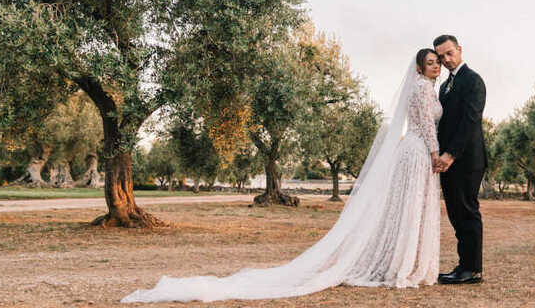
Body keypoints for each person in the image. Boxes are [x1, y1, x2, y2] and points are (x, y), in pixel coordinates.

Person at [121, 49, 444, 303]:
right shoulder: (421, 88)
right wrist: (433, 153)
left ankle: (406, 262)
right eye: (430, 63)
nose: (435, 67)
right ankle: (404, 265)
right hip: (418, 153)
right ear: (418, 67)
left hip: (414, 151)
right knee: (410, 208)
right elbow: (428, 126)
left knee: (410, 209)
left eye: (437, 63)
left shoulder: (428, 87)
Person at [432, 34, 487, 285]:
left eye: (449, 53)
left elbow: (470, 122)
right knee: (455, 213)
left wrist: (450, 154)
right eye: (441, 56)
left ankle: (472, 269)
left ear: (459, 50)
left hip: (467, 160)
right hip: (447, 161)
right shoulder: (444, 86)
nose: (445, 59)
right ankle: (463, 265)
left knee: (467, 211)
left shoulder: (473, 80)